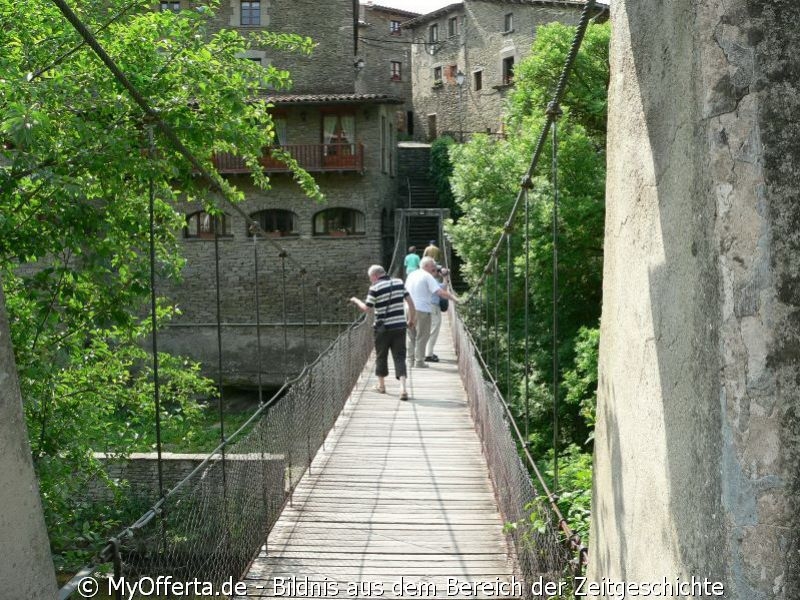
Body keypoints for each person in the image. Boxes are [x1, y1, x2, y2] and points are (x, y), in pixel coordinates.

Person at [350, 264, 416, 400]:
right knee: (399, 356)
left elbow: (366, 309)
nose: (370, 281)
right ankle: (403, 388)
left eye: (370, 278)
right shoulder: (399, 283)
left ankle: (381, 386)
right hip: (399, 326)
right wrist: (411, 320)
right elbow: (411, 303)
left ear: (374, 276)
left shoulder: (374, 288)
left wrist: (355, 300)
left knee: (381, 355)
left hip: (382, 329)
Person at [404, 257, 457, 368]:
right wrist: (455, 299)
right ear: (426, 266)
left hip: (408, 308)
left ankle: (410, 361)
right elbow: (439, 292)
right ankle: (419, 362)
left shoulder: (411, 274)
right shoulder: (427, 276)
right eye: (432, 265)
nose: (434, 268)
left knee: (410, 336)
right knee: (422, 336)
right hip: (422, 309)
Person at [425, 266, 449, 362]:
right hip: (433, 307)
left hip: (425, 306)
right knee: (434, 330)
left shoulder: (424, 278)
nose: (437, 272)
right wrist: (445, 276)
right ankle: (428, 354)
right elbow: (443, 289)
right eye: (435, 270)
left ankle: (425, 352)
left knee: (425, 331)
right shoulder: (432, 280)